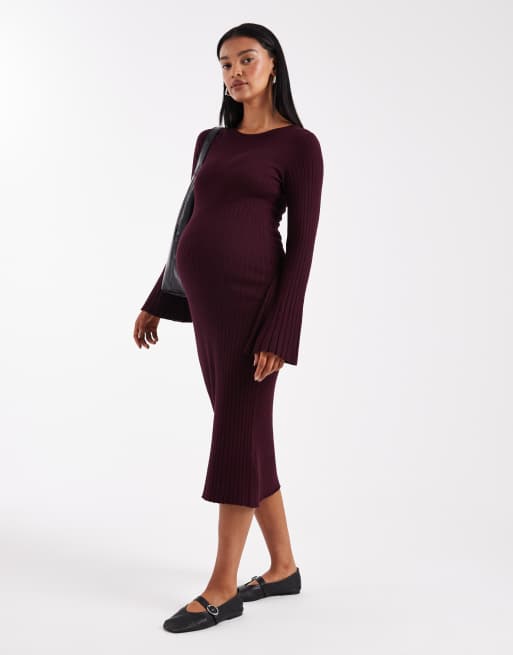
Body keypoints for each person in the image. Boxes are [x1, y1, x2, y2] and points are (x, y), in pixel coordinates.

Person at [133, 22, 324, 633]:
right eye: (224, 64)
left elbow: (303, 248)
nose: (235, 72)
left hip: (253, 304)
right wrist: (159, 297)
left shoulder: (299, 146)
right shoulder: (210, 141)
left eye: (246, 59)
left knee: (236, 433)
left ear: (273, 65)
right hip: (208, 307)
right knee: (244, 430)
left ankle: (223, 588)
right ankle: (283, 568)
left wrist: (280, 333)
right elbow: (187, 222)